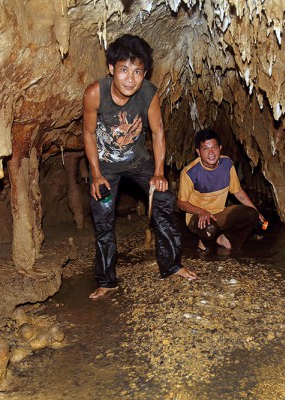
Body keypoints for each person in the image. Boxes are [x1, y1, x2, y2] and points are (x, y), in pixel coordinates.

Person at [83, 34, 197, 299]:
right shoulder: (95, 93)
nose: (130, 79)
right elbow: (88, 134)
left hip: (138, 161)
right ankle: (106, 280)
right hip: (106, 165)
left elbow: (157, 132)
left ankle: (171, 266)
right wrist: (96, 174)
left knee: (164, 198)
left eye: (137, 72)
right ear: (112, 69)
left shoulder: (148, 94)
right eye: (123, 70)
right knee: (102, 215)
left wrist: (158, 172)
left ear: (145, 73)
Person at [177, 129, 265, 252]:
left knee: (251, 214)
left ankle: (226, 239)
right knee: (209, 229)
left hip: (219, 213)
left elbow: (237, 191)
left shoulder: (227, 164)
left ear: (220, 148)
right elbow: (181, 203)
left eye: (214, 147)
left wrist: (257, 212)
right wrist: (200, 211)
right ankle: (203, 243)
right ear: (198, 152)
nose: (211, 152)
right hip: (197, 216)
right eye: (205, 149)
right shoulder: (190, 173)